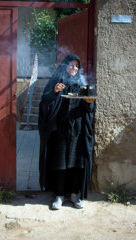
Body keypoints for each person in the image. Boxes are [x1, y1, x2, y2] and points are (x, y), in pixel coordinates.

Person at [38, 54, 95, 210]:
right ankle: (59, 195)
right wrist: (54, 92)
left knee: (77, 163)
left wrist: (89, 104)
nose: (74, 68)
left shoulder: (82, 84)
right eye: (71, 65)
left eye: (77, 65)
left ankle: (75, 195)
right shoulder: (56, 82)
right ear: (65, 66)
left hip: (78, 131)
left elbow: (89, 109)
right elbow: (45, 104)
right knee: (61, 163)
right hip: (60, 131)